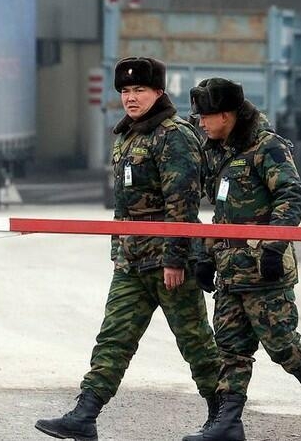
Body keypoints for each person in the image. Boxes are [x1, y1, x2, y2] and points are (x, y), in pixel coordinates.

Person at [35, 57, 222, 441]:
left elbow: (182, 203)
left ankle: (223, 418)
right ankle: (84, 415)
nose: (131, 98)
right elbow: (124, 204)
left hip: (170, 263)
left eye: (139, 90)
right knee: (114, 336)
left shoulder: (174, 135)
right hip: (133, 260)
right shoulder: (128, 135)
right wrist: (119, 249)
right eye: (125, 91)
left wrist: (175, 258)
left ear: (158, 92)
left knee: (196, 343)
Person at [184, 78, 301, 441]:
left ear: (227, 115)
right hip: (231, 272)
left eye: (206, 116)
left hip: (266, 269)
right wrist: (204, 256)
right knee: (229, 348)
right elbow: (216, 212)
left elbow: (291, 196)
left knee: (282, 345)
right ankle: (228, 422)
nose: (200, 122)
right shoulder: (216, 150)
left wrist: (275, 248)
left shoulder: (268, 147)